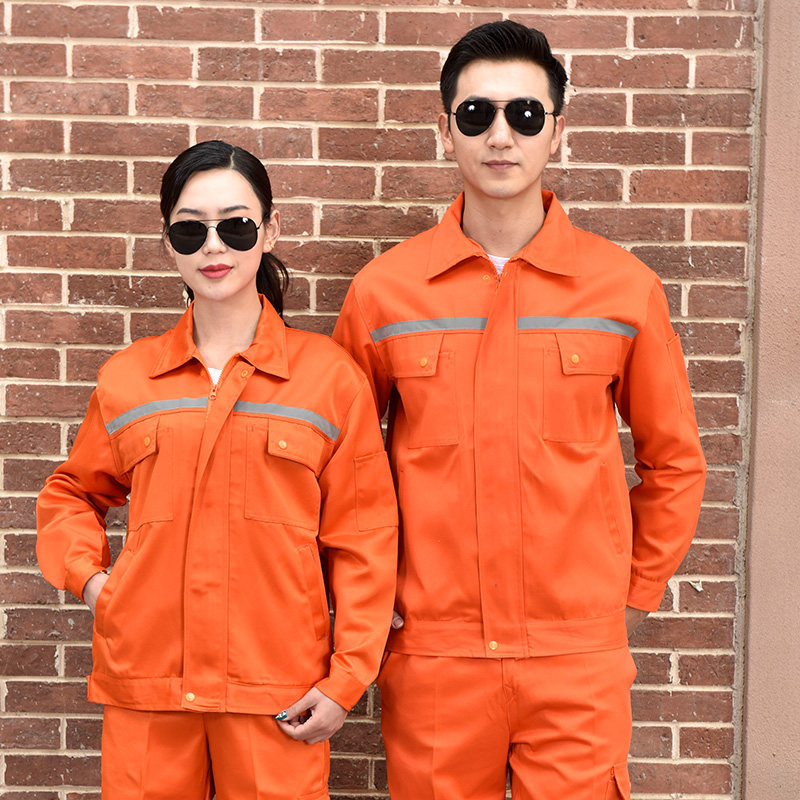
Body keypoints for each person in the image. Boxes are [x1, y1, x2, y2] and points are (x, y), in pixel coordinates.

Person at [333, 21, 706, 800]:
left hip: (577, 659)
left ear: (556, 132)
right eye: (477, 115)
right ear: (446, 131)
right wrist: (367, 602)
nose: (500, 136)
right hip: (435, 656)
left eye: (525, 115)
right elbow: (342, 473)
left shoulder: (622, 289)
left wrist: (631, 598)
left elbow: (673, 462)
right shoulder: (383, 294)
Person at [36, 140, 398, 800]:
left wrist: (347, 679)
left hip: (277, 690)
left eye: (236, 225)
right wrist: (94, 584)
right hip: (148, 683)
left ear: (270, 230)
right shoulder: (129, 379)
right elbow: (71, 493)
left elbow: (364, 539)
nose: (213, 246)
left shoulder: (327, 379)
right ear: (167, 242)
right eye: (190, 229)